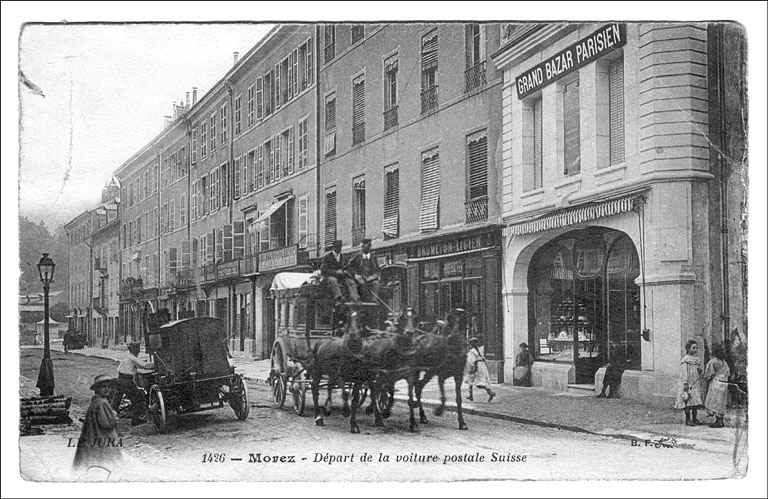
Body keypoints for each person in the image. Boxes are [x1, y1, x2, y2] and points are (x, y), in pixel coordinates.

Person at [73, 374, 122, 471]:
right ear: (97, 389)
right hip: (102, 437)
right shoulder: (101, 403)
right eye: (103, 387)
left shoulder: (97, 401)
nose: (107, 389)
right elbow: (106, 423)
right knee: (106, 459)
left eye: (109, 387)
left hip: (95, 436)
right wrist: (114, 418)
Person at [112, 342, 154, 426]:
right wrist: (155, 364)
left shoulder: (126, 356)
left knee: (116, 401)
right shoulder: (132, 358)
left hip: (120, 379)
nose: (138, 351)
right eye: (137, 349)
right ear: (134, 350)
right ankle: (136, 420)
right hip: (126, 381)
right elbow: (145, 365)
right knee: (138, 399)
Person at [674, 339, 705, 426]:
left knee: (695, 401)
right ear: (688, 349)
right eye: (693, 348)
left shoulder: (696, 360)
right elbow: (684, 372)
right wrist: (685, 382)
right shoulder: (685, 360)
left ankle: (695, 418)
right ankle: (688, 419)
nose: (695, 350)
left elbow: (699, 370)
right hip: (688, 382)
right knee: (687, 400)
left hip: (695, 381)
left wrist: (700, 371)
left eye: (696, 348)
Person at [704, 342, 731, 428]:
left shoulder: (712, 362)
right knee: (721, 401)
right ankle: (720, 419)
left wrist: (707, 378)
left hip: (716, 382)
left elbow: (709, 373)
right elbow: (728, 373)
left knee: (714, 400)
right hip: (723, 383)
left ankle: (718, 420)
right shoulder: (724, 362)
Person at [348, 238, 381, 302]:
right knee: (362, 283)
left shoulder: (373, 257)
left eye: (364, 246)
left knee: (376, 283)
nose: (362, 248)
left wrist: (372, 277)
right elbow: (349, 267)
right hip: (359, 278)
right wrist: (355, 275)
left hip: (370, 278)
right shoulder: (356, 256)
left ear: (369, 246)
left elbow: (378, 270)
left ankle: (373, 301)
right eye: (361, 246)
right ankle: (363, 301)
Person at [465, 337, 496, 402]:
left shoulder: (472, 352)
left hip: (477, 366)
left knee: (478, 383)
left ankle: (490, 392)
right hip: (482, 366)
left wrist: (472, 368)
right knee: (472, 380)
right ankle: (470, 395)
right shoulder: (479, 350)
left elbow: (472, 361)